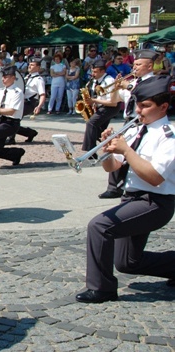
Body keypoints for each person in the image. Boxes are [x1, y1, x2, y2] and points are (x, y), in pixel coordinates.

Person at [75, 75, 174, 304]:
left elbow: (154, 177)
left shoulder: (168, 137)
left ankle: (102, 289)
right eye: (138, 105)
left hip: (155, 202)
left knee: (99, 226)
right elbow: (113, 167)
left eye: (146, 106)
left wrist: (127, 151)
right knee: (128, 263)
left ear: (164, 107)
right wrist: (108, 150)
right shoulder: (136, 131)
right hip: (132, 200)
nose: (139, 111)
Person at [98, 49, 156, 199]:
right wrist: (116, 88)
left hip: (144, 124)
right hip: (129, 122)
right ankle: (113, 187)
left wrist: (128, 86)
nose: (134, 67)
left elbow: (146, 95)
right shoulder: (133, 82)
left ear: (149, 66)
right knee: (114, 150)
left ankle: (128, 186)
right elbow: (114, 101)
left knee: (133, 155)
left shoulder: (154, 82)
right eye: (134, 64)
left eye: (139, 65)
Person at [81, 59, 123, 154]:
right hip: (102, 106)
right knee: (99, 131)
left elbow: (113, 102)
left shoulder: (109, 81)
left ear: (102, 71)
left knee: (91, 123)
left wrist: (94, 100)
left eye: (95, 72)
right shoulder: (95, 81)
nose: (93, 74)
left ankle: (90, 152)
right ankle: (115, 146)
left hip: (111, 107)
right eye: (92, 71)